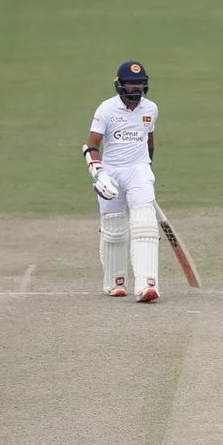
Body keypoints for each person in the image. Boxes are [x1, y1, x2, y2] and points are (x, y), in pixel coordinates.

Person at [83, 60, 161, 302]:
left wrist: (147, 173)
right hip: (112, 171)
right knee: (114, 229)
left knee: (145, 225)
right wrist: (98, 172)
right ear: (120, 85)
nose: (136, 88)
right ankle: (114, 283)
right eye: (131, 84)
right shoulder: (106, 109)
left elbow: (149, 142)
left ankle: (147, 284)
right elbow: (91, 146)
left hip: (139, 170)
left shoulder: (150, 109)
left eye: (140, 84)